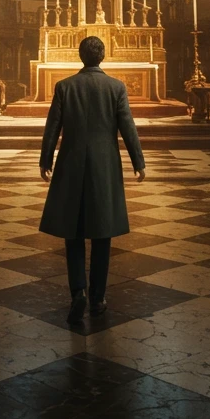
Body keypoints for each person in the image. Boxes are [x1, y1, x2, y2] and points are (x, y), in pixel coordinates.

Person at [39, 35, 145, 324]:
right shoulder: (116, 87)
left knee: (72, 234)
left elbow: (52, 128)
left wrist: (45, 160)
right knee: (102, 233)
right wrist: (139, 162)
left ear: (80, 55)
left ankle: (78, 293)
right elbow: (127, 127)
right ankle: (98, 298)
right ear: (103, 56)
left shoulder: (65, 86)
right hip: (105, 166)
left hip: (70, 163)